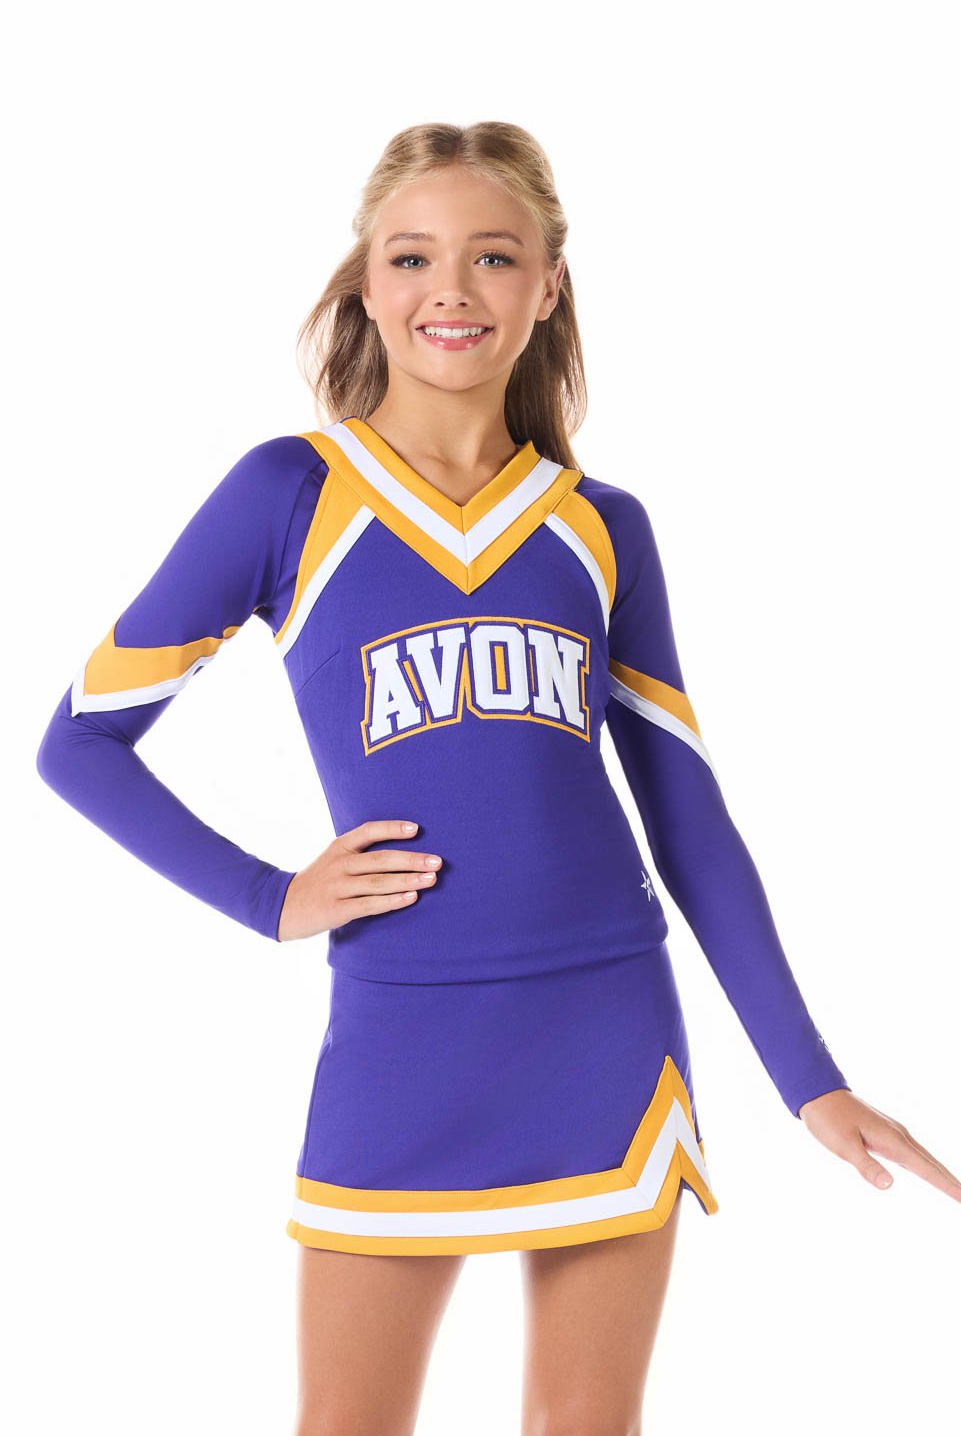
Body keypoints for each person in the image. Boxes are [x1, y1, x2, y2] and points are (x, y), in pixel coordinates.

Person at [36, 122, 961, 1436]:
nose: (451, 290)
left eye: (493, 256)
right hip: (400, 1032)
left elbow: (686, 816)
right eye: (412, 257)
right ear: (367, 282)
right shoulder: (290, 493)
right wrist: (268, 896)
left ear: (548, 283)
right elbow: (79, 742)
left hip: (605, 1028)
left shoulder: (599, 526)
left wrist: (808, 1079)